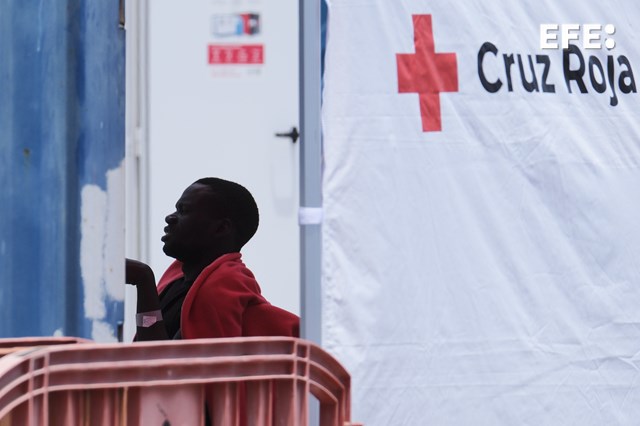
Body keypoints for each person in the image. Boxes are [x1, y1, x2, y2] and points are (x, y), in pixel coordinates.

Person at [126, 177, 299, 341]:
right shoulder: (179, 276)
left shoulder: (223, 286)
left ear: (221, 228)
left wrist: (143, 281)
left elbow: (163, 363)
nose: (170, 218)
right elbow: (148, 336)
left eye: (183, 211)